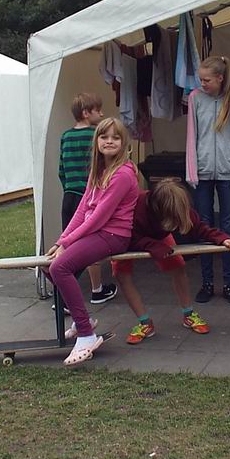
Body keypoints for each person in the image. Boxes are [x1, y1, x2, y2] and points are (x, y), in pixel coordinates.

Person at [46, 118, 139, 366]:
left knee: (60, 267)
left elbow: (99, 217)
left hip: (113, 235)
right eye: (104, 137)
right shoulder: (98, 170)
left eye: (115, 138)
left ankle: (86, 335)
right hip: (96, 232)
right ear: (96, 141)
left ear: (123, 143)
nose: (109, 141)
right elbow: (82, 210)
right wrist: (61, 240)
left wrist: (68, 242)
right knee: (49, 266)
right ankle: (82, 320)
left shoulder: (123, 174)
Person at [118, 180, 230, 344]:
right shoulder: (137, 209)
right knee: (122, 275)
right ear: (158, 210)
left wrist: (223, 239)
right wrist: (152, 246)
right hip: (123, 236)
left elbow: (200, 228)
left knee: (178, 267)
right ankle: (145, 323)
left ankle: (188, 314)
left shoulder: (179, 207)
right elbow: (131, 239)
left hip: (158, 238)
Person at [185, 54, 230, 305]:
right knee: (204, 225)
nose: (202, 84)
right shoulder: (195, 98)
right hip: (202, 171)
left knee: (229, 226)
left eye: (206, 80)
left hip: (227, 171)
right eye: (201, 79)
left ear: (220, 78)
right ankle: (207, 282)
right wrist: (192, 170)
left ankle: (229, 284)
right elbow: (192, 134)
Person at [57, 93, 117, 305]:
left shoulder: (65, 136)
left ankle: (62, 295)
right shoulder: (95, 135)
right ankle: (94, 290)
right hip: (88, 198)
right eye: (97, 110)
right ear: (85, 113)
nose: (101, 114)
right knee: (87, 247)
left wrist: (68, 188)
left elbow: (61, 170)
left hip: (69, 197)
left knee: (68, 245)